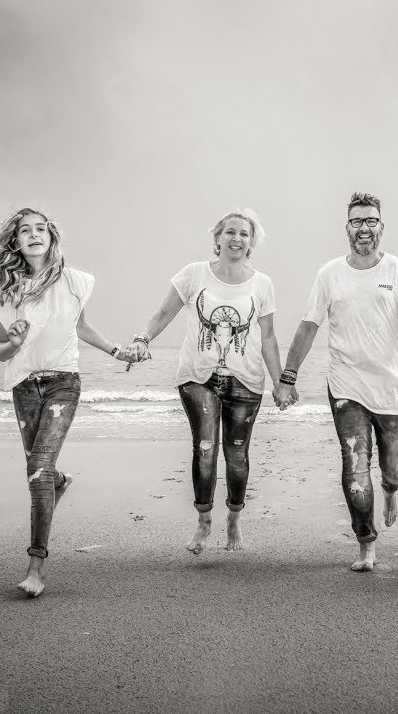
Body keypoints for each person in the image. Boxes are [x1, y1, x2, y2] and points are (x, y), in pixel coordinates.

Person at [0, 206, 134, 597]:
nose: (34, 234)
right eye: (26, 230)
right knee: (42, 471)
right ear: (16, 241)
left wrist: (116, 351)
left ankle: (35, 568)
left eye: (41, 228)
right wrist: (15, 341)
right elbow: (0, 352)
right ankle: (60, 481)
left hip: (62, 383)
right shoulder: (7, 289)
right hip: (24, 386)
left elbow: (81, 326)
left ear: (51, 236)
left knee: (36, 469)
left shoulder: (75, 281)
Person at [273, 192, 398, 571]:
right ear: (347, 228)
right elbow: (308, 326)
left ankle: (391, 490)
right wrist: (288, 377)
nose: (364, 228)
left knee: (395, 469)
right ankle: (366, 544)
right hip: (346, 388)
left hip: (392, 391)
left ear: (381, 227)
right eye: (357, 221)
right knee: (355, 467)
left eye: (371, 220)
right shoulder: (329, 274)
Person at [122, 207, 283, 554]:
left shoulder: (262, 284)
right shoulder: (193, 274)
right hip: (198, 377)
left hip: (246, 381)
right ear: (217, 238)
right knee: (206, 447)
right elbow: (163, 313)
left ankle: (234, 519)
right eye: (230, 232)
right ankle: (204, 520)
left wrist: (281, 382)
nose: (236, 238)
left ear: (251, 242)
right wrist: (142, 339)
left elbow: (268, 337)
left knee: (236, 455)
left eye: (244, 233)